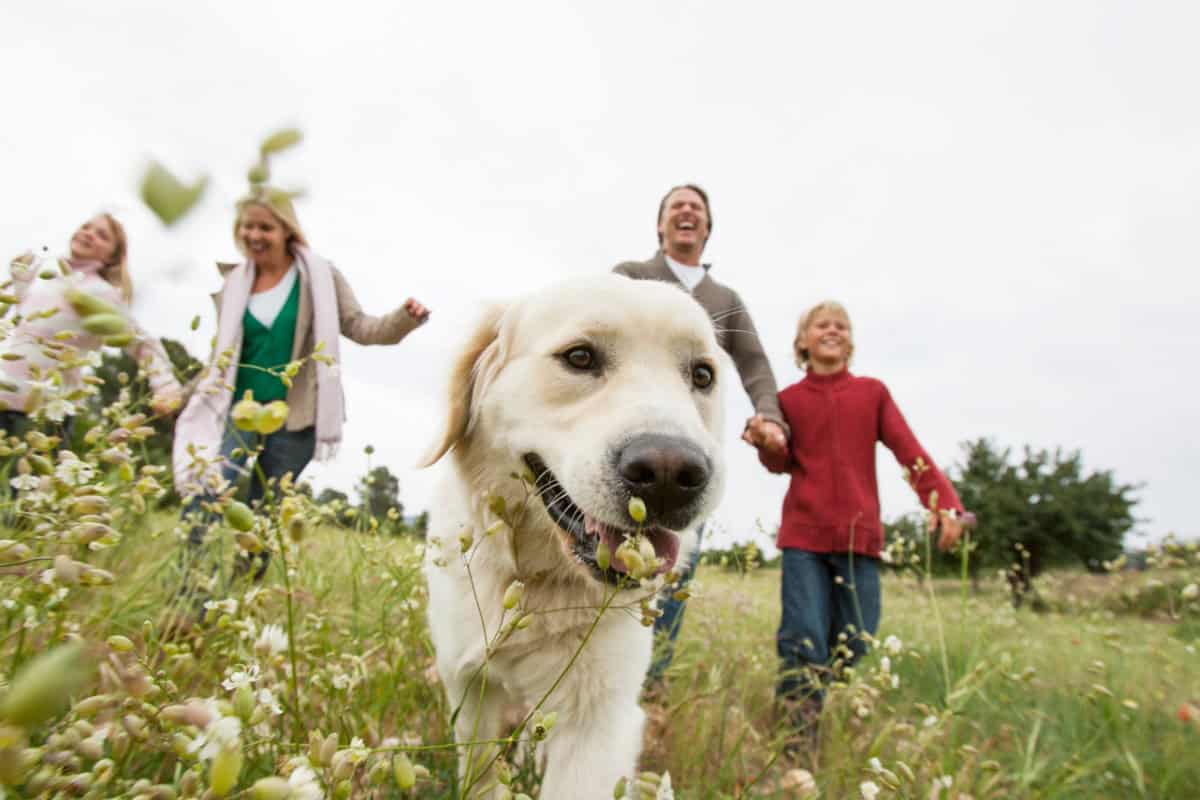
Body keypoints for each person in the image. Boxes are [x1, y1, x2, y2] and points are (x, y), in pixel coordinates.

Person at [173, 188, 430, 576]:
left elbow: (361, 327)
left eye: (265, 227)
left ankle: (244, 595)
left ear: (286, 230)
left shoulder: (319, 277)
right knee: (206, 492)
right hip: (236, 412)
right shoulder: (234, 284)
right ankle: (192, 591)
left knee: (263, 513)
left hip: (297, 417)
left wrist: (404, 318)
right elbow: (220, 360)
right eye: (247, 226)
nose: (254, 235)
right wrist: (179, 395)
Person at [757, 300, 964, 744]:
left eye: (842, 326)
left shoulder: (872, 393)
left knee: (858, 640)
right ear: (803, 341)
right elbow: (779, 462)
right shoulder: (788, 401)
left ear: (850, 341)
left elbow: (909, 451)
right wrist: (765, 442)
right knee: (803, 636)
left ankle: (812, 700)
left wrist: (943, 504)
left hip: (860, 538)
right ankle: (795, 742)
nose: (833, 330)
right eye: (822, 325)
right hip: (804, 538)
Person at [613, 184, 789, 686]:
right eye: (676, 207)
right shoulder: (632, 276)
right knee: (602, 552)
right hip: (626, 444)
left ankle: (653, 681)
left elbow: (754, 363)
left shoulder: (724, 300)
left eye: (697, 208)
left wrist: (770, 416)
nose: (687, 212)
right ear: (660, 226)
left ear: (707, 229)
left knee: (671, 568)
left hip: (689, 451)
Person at [1, 213, 182, 444]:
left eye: (102, 235)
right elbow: (25, 325)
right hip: (5, 395)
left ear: (111, 257)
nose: (89, 233)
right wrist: (20, 283)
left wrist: (166, 388)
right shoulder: (49, 277)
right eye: (86, 227)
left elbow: (142, 344)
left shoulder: (101, 292)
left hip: (48, 413)